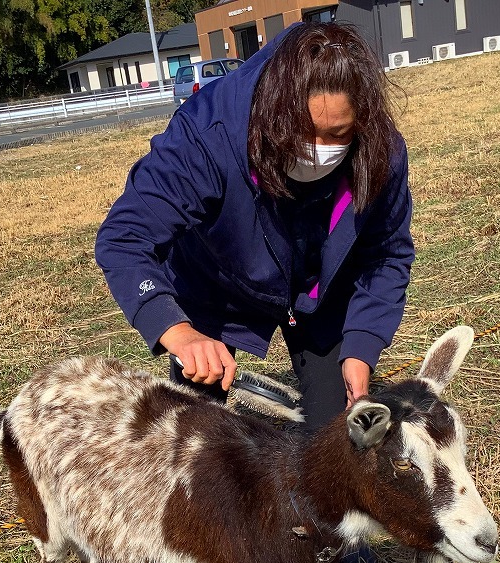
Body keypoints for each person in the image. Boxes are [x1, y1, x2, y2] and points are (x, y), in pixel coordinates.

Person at [96, 20, 414, 438]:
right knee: (197, 439)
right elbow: (124, 237)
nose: (317, 149)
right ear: (273, 108)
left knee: (332, 435)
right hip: (217, 280)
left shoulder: (380, 151)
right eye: (301, 133)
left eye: (337, 134)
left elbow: (387, 254)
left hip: (318, 290)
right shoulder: (209, 134)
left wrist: (362, 347)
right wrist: (180, 332)